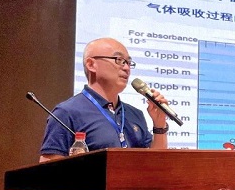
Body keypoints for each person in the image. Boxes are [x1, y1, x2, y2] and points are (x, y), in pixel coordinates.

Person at [39, 37, 169, 162]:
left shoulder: (135, 114)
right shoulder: (67, 113)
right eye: (119, 60)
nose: (126, 68)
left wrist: (159, 125)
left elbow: (156, 163)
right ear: (91, 64)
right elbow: (49, 169)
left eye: (128, 63)